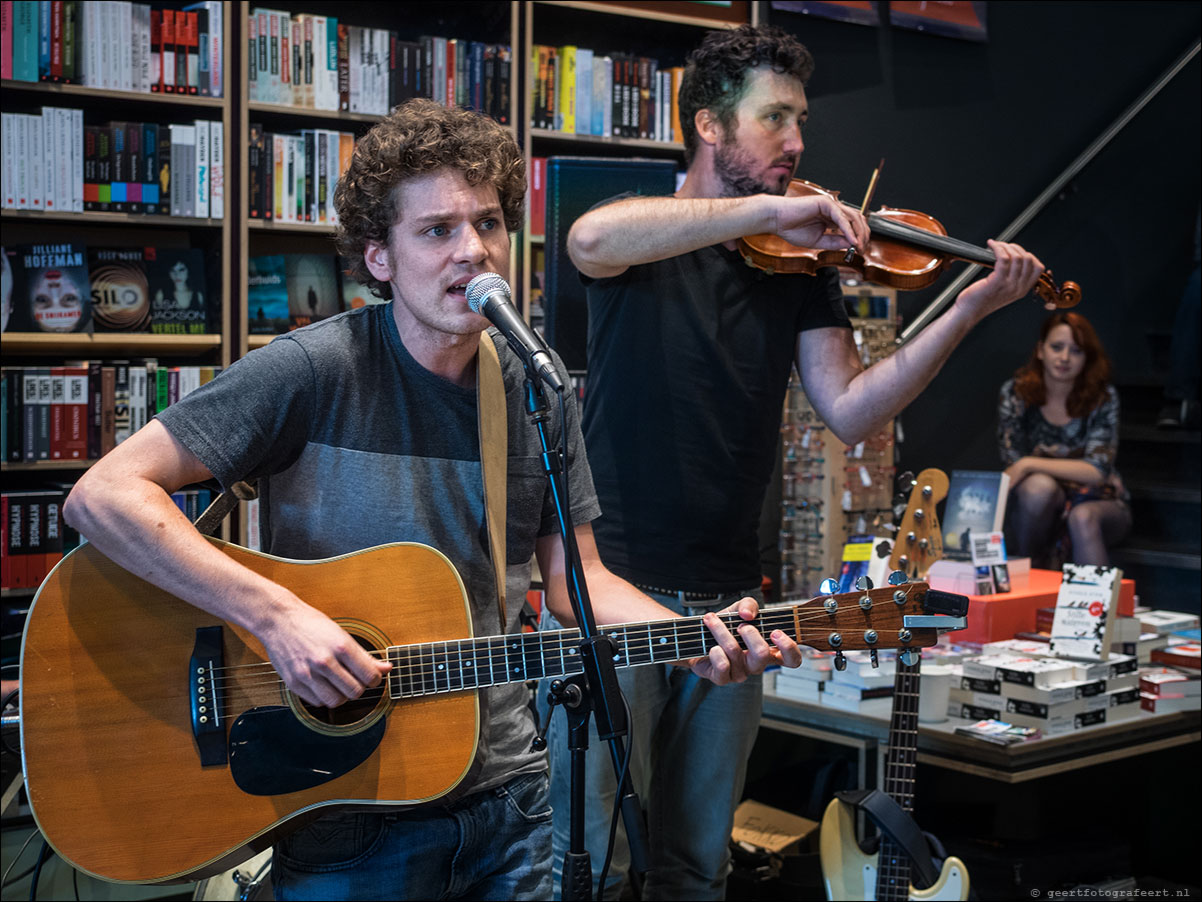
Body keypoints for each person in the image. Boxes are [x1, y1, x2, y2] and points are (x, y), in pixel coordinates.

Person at [61, 99, 801, 902]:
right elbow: (103, 495)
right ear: (378, 257)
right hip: (348, 799)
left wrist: (690, 638)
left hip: (508, 796)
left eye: (488, 223)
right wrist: (274, 617)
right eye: (437, 230)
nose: (473, 251)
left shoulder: (533, 384)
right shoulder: (313, 371)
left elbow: (575, 584)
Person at [551, 23, 1046, 901]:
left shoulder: (798, 269)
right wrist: (775, 211)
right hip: (613, 589)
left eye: (802, 119)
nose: (799, 142)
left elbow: (852, 409)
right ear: (709, 125)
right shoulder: (643, 239)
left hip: (735, 589)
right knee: (594, 859)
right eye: (775, 118)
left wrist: (965, 312)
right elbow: (590, 237)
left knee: (696, 864)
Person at [998, 312, 1131, 567]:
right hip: (1034, 506)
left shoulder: (1102, 397)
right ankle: (1029, 575)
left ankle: (1095, 605)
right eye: (1057, 347)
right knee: (1038, 489)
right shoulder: (1016, 394)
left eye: (1076, 351)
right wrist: (1031, 467)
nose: (1065, 358)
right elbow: (1012, 468)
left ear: (1087, 358)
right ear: (1040, 350)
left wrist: (1030, 463)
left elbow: (1097, 471)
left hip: (1098, 499)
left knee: (1082, 517)